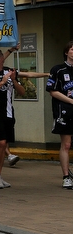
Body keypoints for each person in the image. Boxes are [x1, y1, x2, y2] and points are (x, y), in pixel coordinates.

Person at [0, 49, 48, 188]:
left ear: (1, 59)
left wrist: (13, 80)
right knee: (0, 142)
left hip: (9, 113)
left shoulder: (9, 72)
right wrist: (1, 83)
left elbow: (22, 92)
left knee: (4, 143)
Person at [46, 40, 73, 189]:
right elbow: (52, 91)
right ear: (66, 52)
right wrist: (70, 101)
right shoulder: (58, 69)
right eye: (72, 49)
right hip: (64, 111)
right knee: (66, 144)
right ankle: (65, 176)